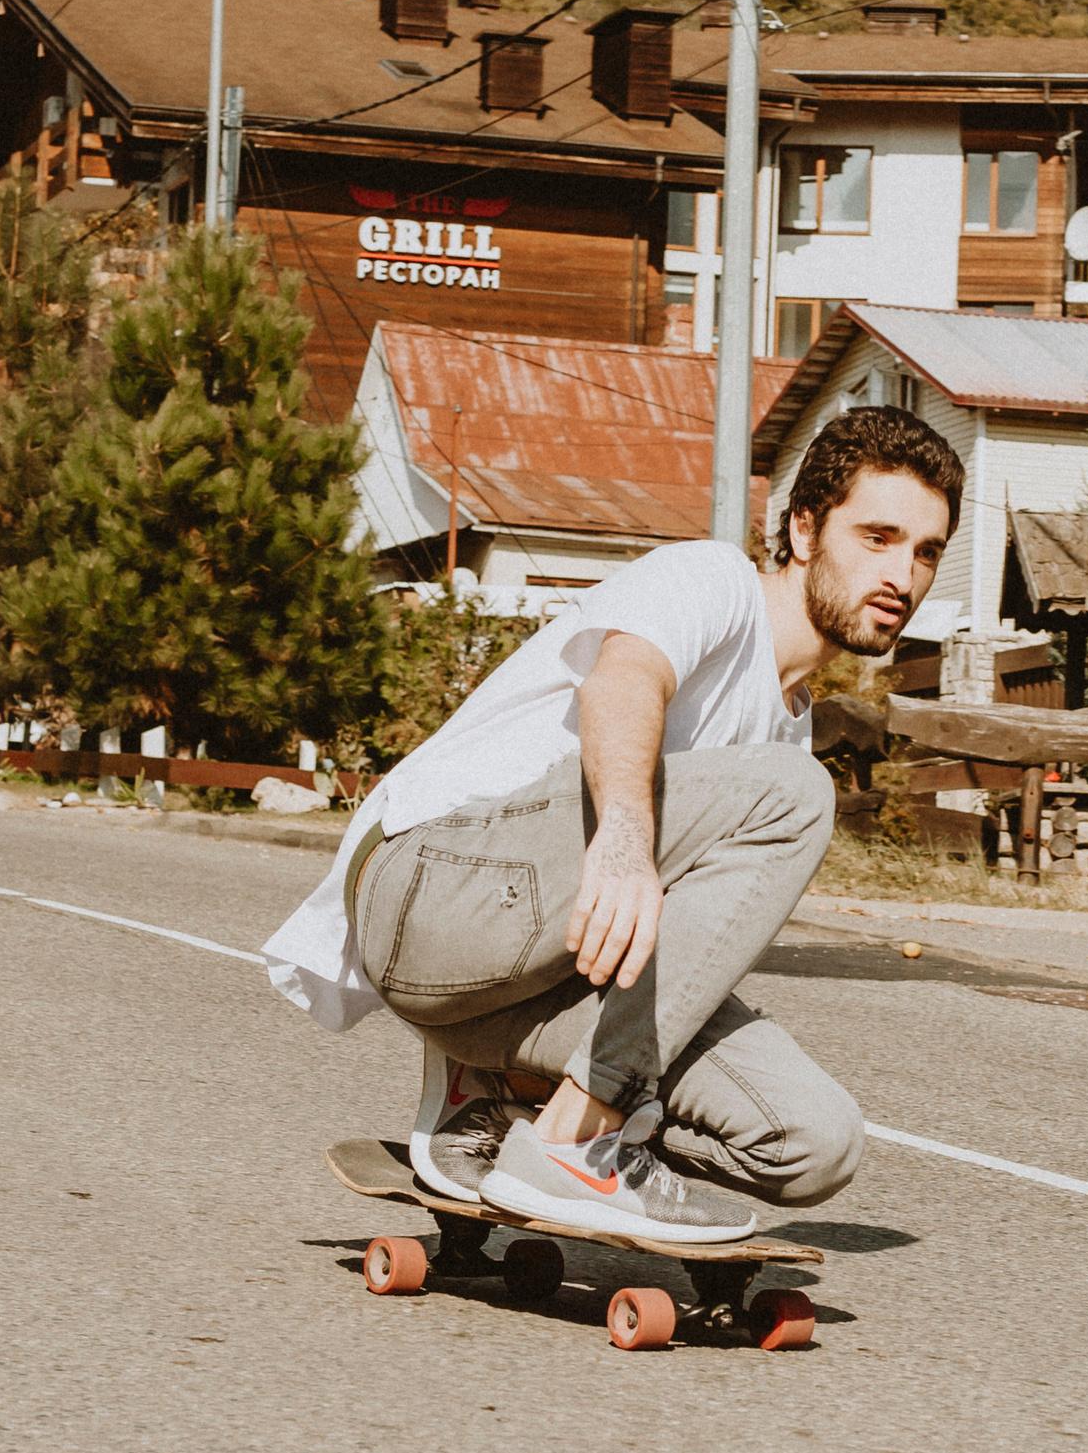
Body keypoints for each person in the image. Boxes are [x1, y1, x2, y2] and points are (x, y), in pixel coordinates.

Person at [264, 400, 963, 1246]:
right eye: (878, 538)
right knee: (796, 790)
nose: (903, 575)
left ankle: (510, 1099)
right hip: (430, 887)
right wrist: (625, 845)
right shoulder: (712, 583)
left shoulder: (786, 726)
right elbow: (622, 683)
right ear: (806, 531)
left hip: (528, 985)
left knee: (817, 1141)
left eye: (927, 552)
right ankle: (574, 1141)